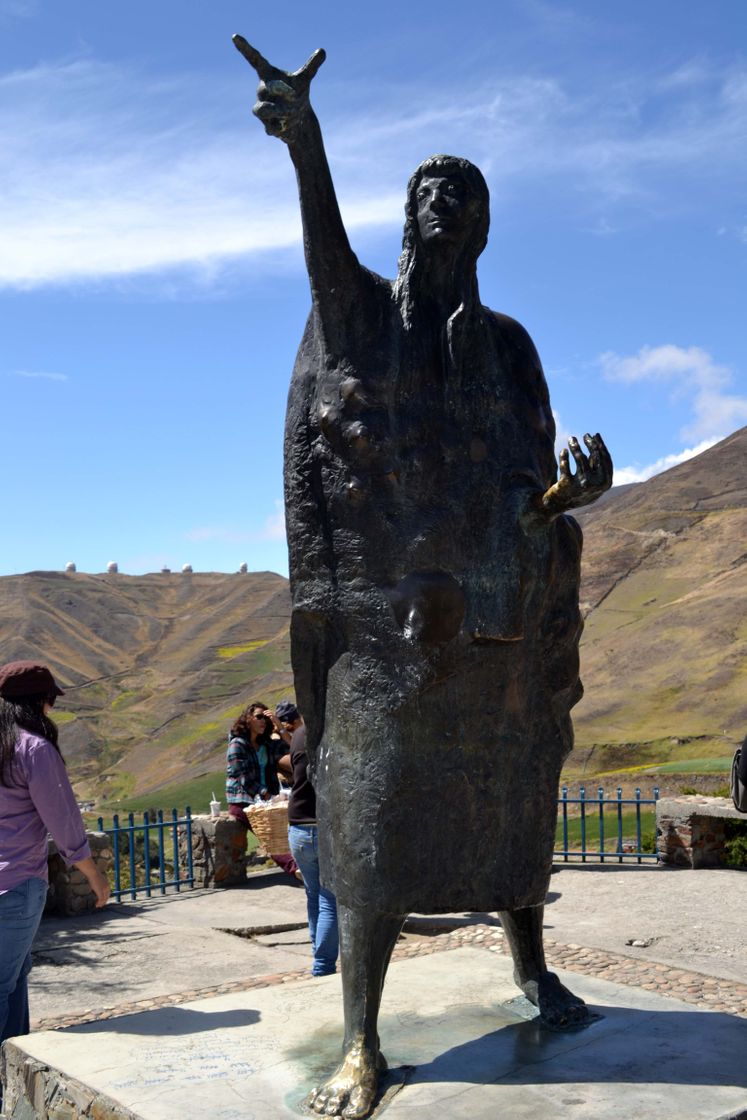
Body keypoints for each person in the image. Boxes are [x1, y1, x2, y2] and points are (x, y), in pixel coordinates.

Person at [235, 38, 613, 1119]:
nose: (449, 203)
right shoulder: (367, 320)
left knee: (512, 803)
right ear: (413, 217)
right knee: (379, 820)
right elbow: (321, 258)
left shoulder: (508, 347)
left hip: (495, 625)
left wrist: (562, 500)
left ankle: (530, 968)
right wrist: (305, 142)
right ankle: (361, 1038)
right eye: (432, 190)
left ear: (485, 225)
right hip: (387, 631)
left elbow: (521, 484)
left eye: (467, 193)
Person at [0, 660, 110, 1071]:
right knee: (4, 983)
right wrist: (95, 877)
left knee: (14, 977)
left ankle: (13, 1070)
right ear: (39, 702)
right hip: (17, 884)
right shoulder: (34, 750)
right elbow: (64, 823)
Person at [278, 700, 339, 976]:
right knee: (329, 898)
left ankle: (318, 952)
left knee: (313, 894)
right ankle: (323, 965)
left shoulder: (300, 735)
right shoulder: (333, 732)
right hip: (324, 827)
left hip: (298, 828)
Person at [225, 701, 297, 876]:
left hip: (266, 800)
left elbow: (294, 748)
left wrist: (279, 727)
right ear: (247, 719)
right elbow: (244, 778)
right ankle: (295, 869)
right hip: (243, 801)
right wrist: (266, 796)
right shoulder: (237, 744)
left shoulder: (266, 745)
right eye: (258, 717)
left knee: (288, 829)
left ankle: (304, 864)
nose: (263, 721)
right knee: (269, 835)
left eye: (265, 718)